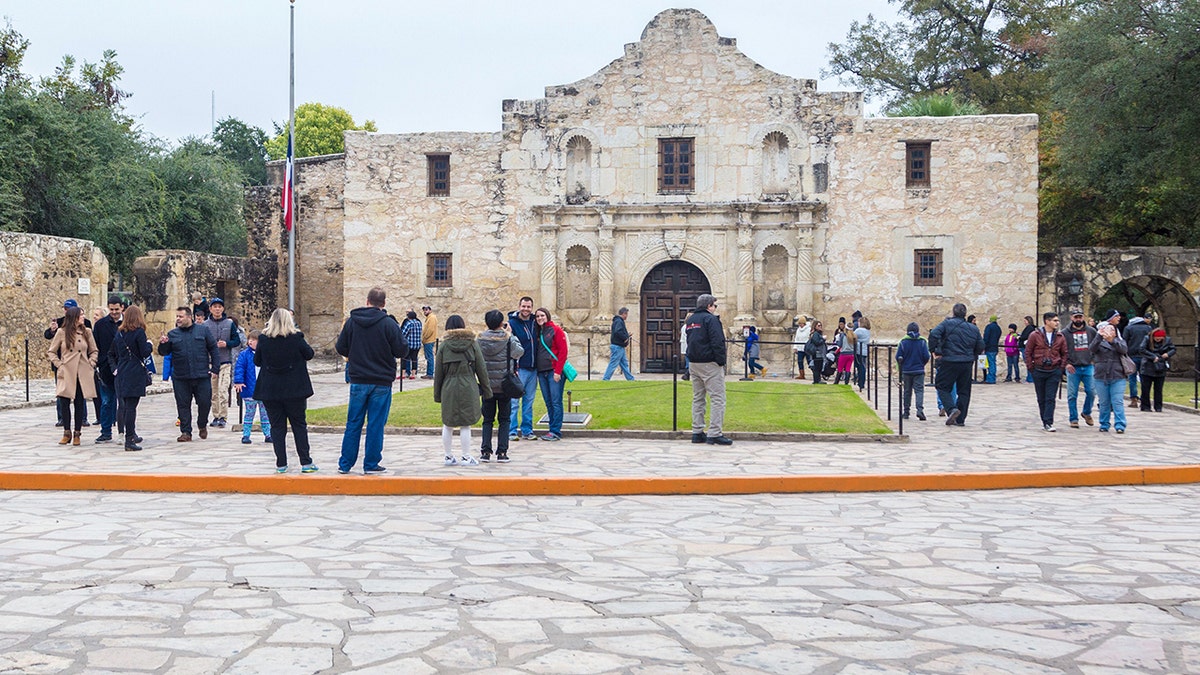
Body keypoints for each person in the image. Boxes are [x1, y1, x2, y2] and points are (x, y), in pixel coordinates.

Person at [336, 287, 409, 475]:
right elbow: (402, 350)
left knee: (353, 422)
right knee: (376, 423)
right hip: (381, 380)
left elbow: (341, 347)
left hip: (359, 379)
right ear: (383, 304)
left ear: (367, 301)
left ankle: (345, 463)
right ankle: (371, 463)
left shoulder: (352, 322)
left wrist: (356, 353)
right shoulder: (389, 324)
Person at [255, 308, 318, 474]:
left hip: (271, 389)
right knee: (299, 425)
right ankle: (306, 462)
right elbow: (309, 354)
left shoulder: (263, 339)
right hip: (294, 389)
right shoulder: (296, 338)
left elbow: (258, 361)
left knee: (277, 427)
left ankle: (281, 463)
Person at [434, 315, 492, 465]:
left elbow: (438, 373)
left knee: (448, 423)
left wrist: (437, 394)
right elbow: (481, 369)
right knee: (466, 423)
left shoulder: (444, 346)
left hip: (449, 386)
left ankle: (448, 456)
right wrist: (487, 390)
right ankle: (466, 456)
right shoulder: (472, 344)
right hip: (468, 385)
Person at [157, 306, 219, 442]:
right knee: (183, 404)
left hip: (201, 375)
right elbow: (164, 352)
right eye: (177, 316)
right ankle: (186, 431)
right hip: (181, 376)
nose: (178, 319)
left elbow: (213, 348)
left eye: (181, 316)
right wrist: (162, 344)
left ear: (189, 317)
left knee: (204, 403)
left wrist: (215, 368)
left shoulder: (203, 330)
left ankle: (202, 424)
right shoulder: (173, 334)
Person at [477, 309, 525, 462]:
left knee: (487, 420)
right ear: (500, 323)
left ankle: (485, 451)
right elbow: (519, 352)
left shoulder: (480, 340)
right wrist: (511, 334)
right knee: (504, 420)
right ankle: (502, 452)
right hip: (504, 385)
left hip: (487, 385)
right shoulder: (508, 339)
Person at [47, 306, 98, 446]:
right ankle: (66, 432)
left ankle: (77, 433)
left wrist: (91, 363)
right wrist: (60, 365)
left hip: (82, 371)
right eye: (81, 315)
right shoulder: (61, 332)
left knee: (79, 402)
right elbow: (51, 351)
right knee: (64, 401)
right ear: (74, 317)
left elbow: (94, 350)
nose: (83, 317)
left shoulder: (87, 332)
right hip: (67, 371)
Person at [685, 294, 731, 445]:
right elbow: (717, 341)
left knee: (698, 398)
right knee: (718, 398)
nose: (715, 308)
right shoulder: (711, 319)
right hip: (709, 363)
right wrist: (721, 361)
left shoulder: (691, 320)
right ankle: (714, 433)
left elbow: (689, 341)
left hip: (694, 362)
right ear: (709, 305)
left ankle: (697, 432)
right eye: (714, 305)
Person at [928, 302, 984, 427]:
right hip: (966, 362)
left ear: (953, 312)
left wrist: (934, 351)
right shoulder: (973, 328)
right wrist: (972, 356)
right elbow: (980, 345)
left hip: (950, 360)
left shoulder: (946, 324)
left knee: (942, 386)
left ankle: (951, 409)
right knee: (964, 391)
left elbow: (933, 334)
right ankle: (961, 419)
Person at [110, 305, 152, 452]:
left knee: (126, 406)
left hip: (122, 370)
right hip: (135, 372)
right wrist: (150, 345)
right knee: (131, 407)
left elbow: (114, 352)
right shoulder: (139, 333)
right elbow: (145, 352)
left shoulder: (119, 333)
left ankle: (130, 434)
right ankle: (129, 439)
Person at [1024, 311, 1068, 432]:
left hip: (1054, 370)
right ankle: (1044, 419)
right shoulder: (1035, 335)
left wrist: (1061, 368)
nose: (1057, 323)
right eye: (1054, 320)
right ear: (1047, 321)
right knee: (1041, 397)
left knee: (1050, 397)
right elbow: (1028, 352)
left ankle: (1049, 421)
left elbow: (1064, 353)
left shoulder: (1060, 337)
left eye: (1057, 321)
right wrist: (1030, 367)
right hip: (1039, 369)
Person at [203, 298, 241, 428]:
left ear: (223, 309)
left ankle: (223, 416)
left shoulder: (229, 324)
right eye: (215, 306)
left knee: (223, 390)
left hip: (225, 361)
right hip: (211, 363)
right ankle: (215, 415)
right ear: (210, 309)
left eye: (220, 306)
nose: (217, 309)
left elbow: (237, 340)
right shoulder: (205, 325)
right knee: (213, 391)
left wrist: (227, 344)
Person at [91, 295, 124, 443]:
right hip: (105, 368)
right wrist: (98, 363)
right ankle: (105, 431)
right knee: (106, 401)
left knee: (123, 403)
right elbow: (95, 346)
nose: (114, 312)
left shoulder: (128, 324)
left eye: (117, 309)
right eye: (111, 309)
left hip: (124, 367)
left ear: (122, 307)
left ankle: (125, 431)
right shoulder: (100, 325)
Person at [507, 297, 540, 440]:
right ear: (519, 306)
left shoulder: (535, 322)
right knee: (514, 402)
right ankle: (512, 431)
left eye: (528, 307)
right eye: (524, 306)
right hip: (519, 368)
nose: (526, 309)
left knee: (529, 401)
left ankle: (527, 430)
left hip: (533, 368)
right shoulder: (512, 324)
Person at [534, 307, 568, 441]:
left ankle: (555, 431)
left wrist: (558, 371)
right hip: (542, 372)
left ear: (547, 316)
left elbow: (563, 351)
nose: (540, 318)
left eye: (542, 315)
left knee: (556, 401)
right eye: (537, 316)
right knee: (548, 402)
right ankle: (551, 428)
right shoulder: (539, 331)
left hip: (554, 371)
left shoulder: (556, 330)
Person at [233, 330, 271, 445]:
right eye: (250, 339)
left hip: (264, 390)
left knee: (265, 414)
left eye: (254, 340)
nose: (251, 342)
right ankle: (246, 434)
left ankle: (268, 434)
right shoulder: (244, 355)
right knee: (249, 413)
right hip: (249, 389)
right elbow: (239, 368)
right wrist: (239, 381)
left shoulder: (266, 354)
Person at [1090, 322, 1128, 434]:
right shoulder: (1098, 342)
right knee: (1104, 402)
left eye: (1112, 330)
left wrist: (1112, 340)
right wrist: (1098, 336)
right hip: (1101, 376)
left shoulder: (1119, 341)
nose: (1109, 332)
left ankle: (1120, 424)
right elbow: (1092, 349)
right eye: (1106, 330)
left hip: (1117, 375)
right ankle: (1104, 424)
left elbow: (1124, 350)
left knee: (1117, 401)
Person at [1063, 308, 1098, 428]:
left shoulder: (1091, 331)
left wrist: (1094, 360)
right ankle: (1073, 418)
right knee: (1072, 394)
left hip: (1088, 365)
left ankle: (1086, 412)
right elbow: (1062, 350)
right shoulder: (1065, 333)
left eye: (1080, 317)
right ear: (1071, 318)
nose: (1078, 319)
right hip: (1073, 366)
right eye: (1076, 317)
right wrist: (1066, 363)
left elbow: (1097, 345)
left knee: (1092, 392)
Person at [896, 321, 930, 420]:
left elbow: (898, 357)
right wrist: (921, 364)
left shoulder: (903, 342)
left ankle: (906, 412)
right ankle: (920, 410)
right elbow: (926, 356)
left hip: (906, 370)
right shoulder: (922, 342)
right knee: (919, 391)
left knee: (907, 391)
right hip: (919, 370)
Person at [1138, 328, 1175, 413]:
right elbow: (1142, 349)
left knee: (1158, 389)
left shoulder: (1168, 340)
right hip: (1148, 365)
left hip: (1160, 366)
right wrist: (1152, 356)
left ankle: (1158, 406)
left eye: (1160, 338)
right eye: (1156, 338)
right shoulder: (1147, 339)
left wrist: (1167, 354)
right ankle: (1145, 406)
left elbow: (1173, 349)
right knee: (1145, 388)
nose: (1158, 340)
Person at [1123, 311, 1153, 408]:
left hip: (1132, 356)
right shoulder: (1148, 328)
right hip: (1145, 356)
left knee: (1132, 378)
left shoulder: (1128, 328)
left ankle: (1134, 399)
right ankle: (1144, 399)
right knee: (1145, 378)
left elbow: (1124, 341)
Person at [603, 307, 635, 381]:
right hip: (617, 346)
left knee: (624, 364)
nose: (627, 316)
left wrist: (626, 335)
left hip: (620, 346)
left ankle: (630, 379)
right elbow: (618, 331)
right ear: (624, 314)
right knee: (613, 363)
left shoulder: (618, 321)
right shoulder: (619, 321)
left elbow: (618, 331)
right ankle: (606, 378)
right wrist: (625, 337)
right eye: (626, 314)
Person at [400, 311, 422, 379]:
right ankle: (413, 374)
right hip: (417, 344)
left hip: (409, 344)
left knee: (404, 358)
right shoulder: (419, 323)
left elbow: (403, 333)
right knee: (414, 359)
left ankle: (403, 374)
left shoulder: (409, 323)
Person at [804, 320, 827, 385]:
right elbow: (817, 342)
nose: (820, 327)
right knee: (817, 367)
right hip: (817, 353)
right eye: (818, 325)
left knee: (818, 366)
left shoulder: (817, 333)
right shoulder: (816, 334)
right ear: (815, 326)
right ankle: (817, 380)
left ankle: (817, 380)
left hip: (818, 353)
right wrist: (823, 339)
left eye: (821, 325)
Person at [853, 316, 871, 391]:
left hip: (859, 351)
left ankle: (860, 382)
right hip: (864, 351)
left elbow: (852, 336)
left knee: (860, 367)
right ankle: (861, 382)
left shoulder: (859, 330)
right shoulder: (868, 331)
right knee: (862, 367)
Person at [420, 305, 438, 379]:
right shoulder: (429, 318)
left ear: (430, 310)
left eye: (426, 310)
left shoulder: (432, 318)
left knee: (429, 357)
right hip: (428, 340)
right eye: (424, 310)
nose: (425, 311)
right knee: (428, 357)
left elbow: (430, 330)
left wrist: (425, 337)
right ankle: (429, 372)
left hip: (429, 340)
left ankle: (430, 373)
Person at [982, 315, 1001, 384]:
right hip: (995, 347)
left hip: (989, 347)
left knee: (990, 363)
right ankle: (991, 377)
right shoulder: (998, 328)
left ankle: (991, 379)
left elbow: (986, 337)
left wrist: (983, 345)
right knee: (993, 363)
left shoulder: (989, 327)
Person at [1019, 315, 1036, 383]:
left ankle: (1030, 379)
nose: (1024, 322)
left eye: (1025, 321)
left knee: (1028, 362)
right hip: (1024, 347)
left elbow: (1025, 336)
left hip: (1026, 347)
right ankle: (1029, 378)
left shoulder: (1029, 328)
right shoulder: (1029, 328)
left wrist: (1019, 337)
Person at [792, 316, 811, 380]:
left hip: (807, 348)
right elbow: (796, 338)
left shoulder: (808, 329)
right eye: (799, 323)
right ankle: (801, 374)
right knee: (800, 361)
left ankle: (815, 373)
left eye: (801, 323)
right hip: (800, 348)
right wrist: (795, 347)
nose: (800, 325)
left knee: (809, 361)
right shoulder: (798, 330)